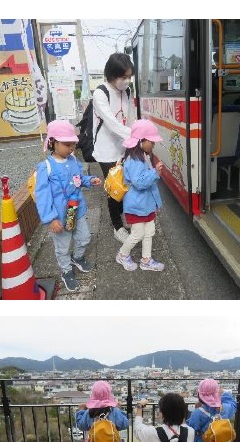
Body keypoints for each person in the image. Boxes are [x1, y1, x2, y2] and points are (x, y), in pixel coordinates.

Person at [33, 120, 102, 292]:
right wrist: (50, 219)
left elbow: (79, 179)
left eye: (73, 144)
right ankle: (66, 271)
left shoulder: (72, 160)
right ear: (53, 142)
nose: (71, 148)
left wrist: (89, 181)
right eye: (67, 144)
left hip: (76, 210)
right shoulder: (45, 167)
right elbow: (42, 195)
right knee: (62, 247)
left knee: (85, 237)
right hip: (59, 216)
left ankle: (77, 257)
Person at [93, 52, 135, 243]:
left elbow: (130, 118)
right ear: (111, 74)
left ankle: (125, 216)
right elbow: (112, 124)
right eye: (123, 77)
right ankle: (117, 226)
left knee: (127, 185)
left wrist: (133, 140)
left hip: (124, 147)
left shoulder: (126, 91)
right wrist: (136, 136)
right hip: (106, 150)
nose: (127, 81)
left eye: (129, 77)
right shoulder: (100, 93)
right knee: (114, 188)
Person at [115, 119, 166, 272]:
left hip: (145, 204)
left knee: (149, 231)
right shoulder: (135, 161)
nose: (154, 144)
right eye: (151, 141)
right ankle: (122, 255)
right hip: (137, 205)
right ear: (141, 141)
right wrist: (155, 173)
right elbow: (140, 183)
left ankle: (146, 260)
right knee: (138, 234)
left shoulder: (142, 156)